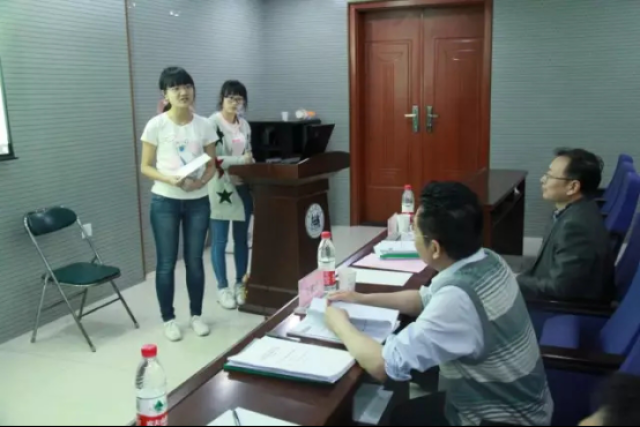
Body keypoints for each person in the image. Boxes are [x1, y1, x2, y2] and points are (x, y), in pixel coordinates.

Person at [326, 182, 553, 426]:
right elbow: (423, 299)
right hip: (520, 402)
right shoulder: (488, 260)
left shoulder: (457, 298)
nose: (413, 238)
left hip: (502, 419)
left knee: (399, 416)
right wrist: (362, 299)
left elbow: (383, 365)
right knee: (406, 408)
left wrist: (340, 324)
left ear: (434, 248)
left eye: (415, 232)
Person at [140, 67, 217, 342]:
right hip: (165, 201)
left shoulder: (204, 125)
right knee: (166, 262)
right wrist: (169, 179)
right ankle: (169, 319)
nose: (183, 92)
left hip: (198, 201)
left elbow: (212, 164)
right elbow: (145, 166)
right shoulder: (156, 125)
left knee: (195, 260)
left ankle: (196, 316)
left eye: (187, 86)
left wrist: (202, 181)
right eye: (175, 88)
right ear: (165, 94)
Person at [517, 148, 615, 303]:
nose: (542, 179)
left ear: (573, 187)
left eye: (550, 176)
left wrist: (514, 281)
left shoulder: (576, 227)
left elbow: (560, 288)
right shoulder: (574, 210)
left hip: (563, 308)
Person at [208, 80, 254, 310]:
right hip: (220, 187)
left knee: (241, 239)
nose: (235, 103)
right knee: (219, 240)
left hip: (241, 186)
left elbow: (248, 154)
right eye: (230, 98)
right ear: (222, 99)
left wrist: (247, 165)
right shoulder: (212, 123)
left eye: (239, 99)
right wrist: (239, 163)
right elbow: (211, 159)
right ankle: (222, 288)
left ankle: (240, 283)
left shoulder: (244, 125)